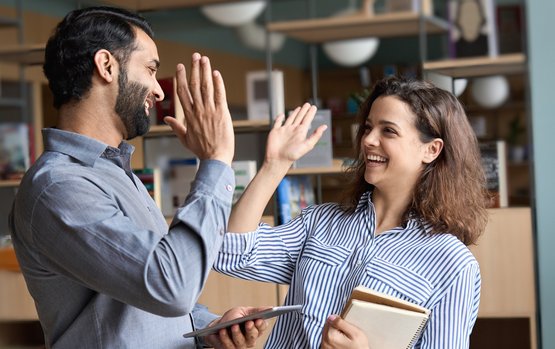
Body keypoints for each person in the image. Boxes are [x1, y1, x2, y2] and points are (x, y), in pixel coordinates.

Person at [9, 6, 269, 349]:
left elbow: (148, 297)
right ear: (106, 66)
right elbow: (170, 286)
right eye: (149, 69)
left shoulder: (115, 172)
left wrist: (210, 328)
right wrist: (216, 160)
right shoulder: (58, 186)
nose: (159, 91)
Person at [213, 77, 489, 348]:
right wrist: (275, 165)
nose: (368, 140)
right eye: (368, 128)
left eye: (388, 131)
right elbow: (230, 253)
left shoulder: (454, 265)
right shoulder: (320, 222)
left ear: (431, 149)